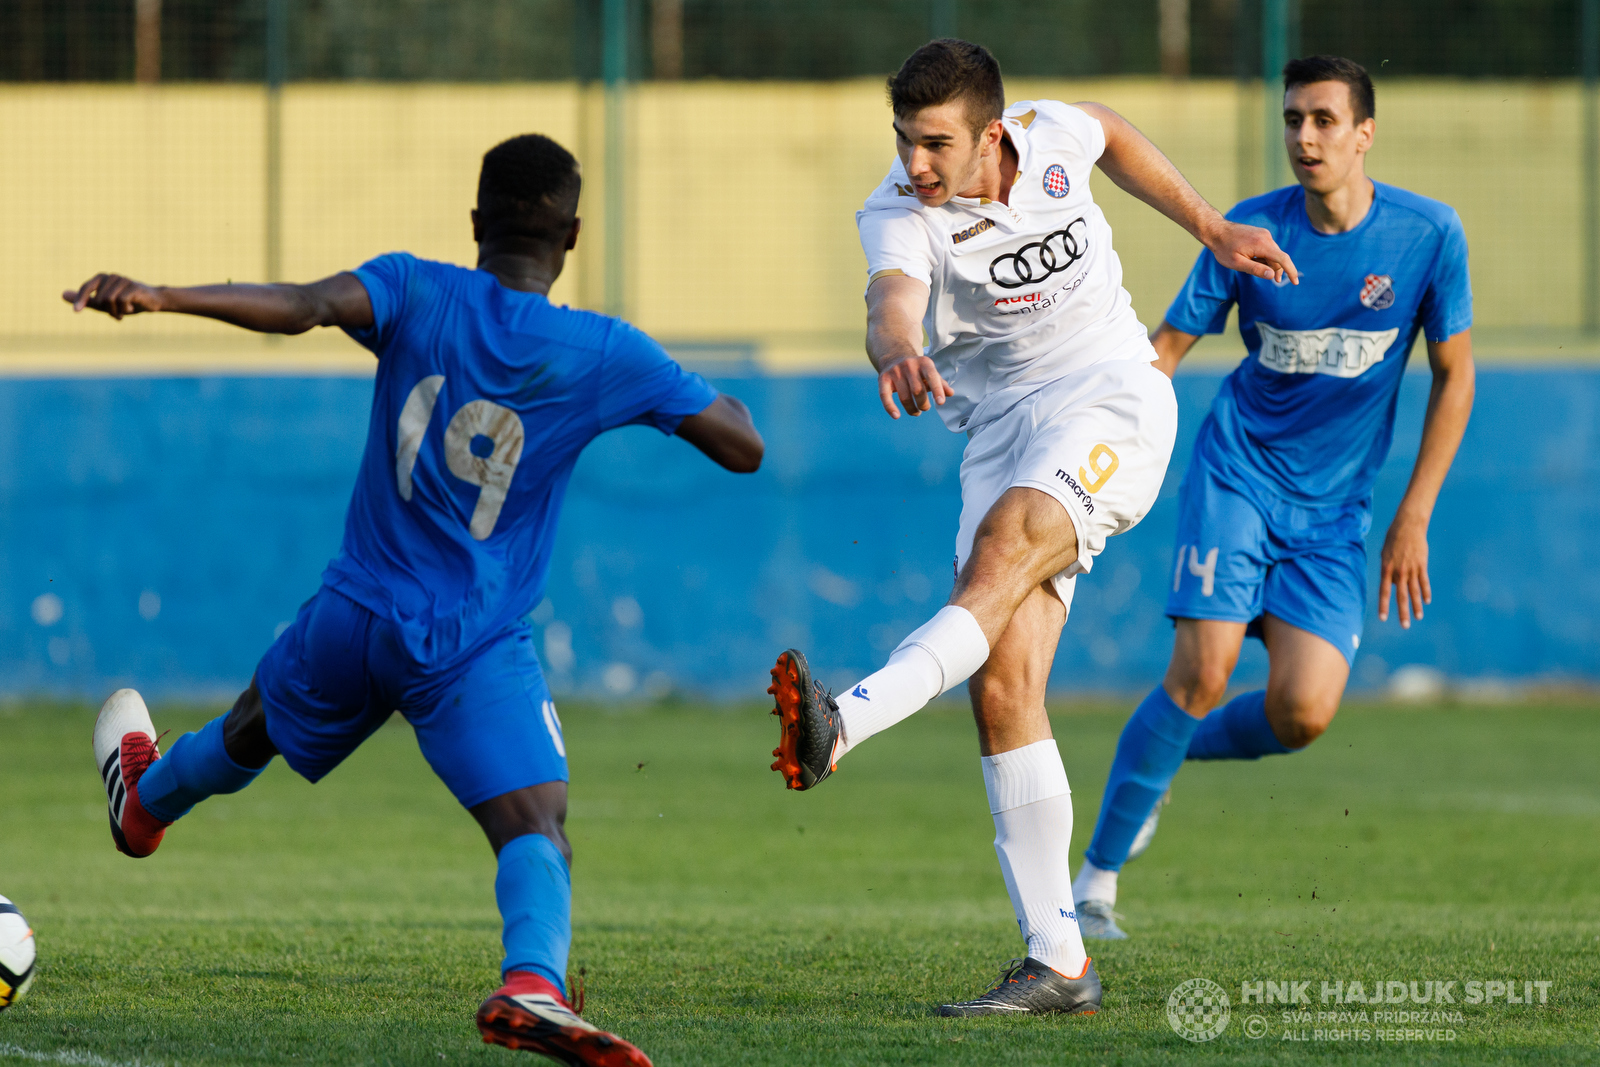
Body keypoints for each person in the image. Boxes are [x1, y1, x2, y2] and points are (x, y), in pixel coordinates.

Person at [72, 133, 764, 1065]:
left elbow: (304, 306)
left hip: (354, 612)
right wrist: (671, 394)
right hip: (467, 639)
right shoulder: (602, 350)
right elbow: (740, 445)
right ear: (572, 234)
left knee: (254, 722)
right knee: (534, 826)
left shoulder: (415, 287)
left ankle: (145, 805)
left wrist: (162, 294)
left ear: (476, 223)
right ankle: (532, 985)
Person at [764, 39, 1298, 1015]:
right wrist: (897, 350)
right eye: (903, 140)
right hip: (999, 433)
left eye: (933, 143)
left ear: (992, 134)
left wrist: (1212, 226)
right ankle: (1059, 959)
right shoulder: (898, 212)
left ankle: (844, 722)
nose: (914, 163)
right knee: (1004, 684)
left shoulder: (1052, 133)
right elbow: (890, 302)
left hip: (1112, 398)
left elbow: (1114, 137)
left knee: (1005, 551)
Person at [1071, 56, 1475, 940]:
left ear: (1365, 133)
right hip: (1238, 475)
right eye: (1293, 119)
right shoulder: (1248, 229)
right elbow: (1165, 351)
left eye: (1325, 120)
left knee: (1303, 714)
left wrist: (1414, 513)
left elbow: (1455, 375)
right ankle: (1094, 883)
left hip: (1336, 515)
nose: (1305, 137)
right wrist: (1094, 453)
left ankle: (1165, 754)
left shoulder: (1428, 235)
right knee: (1204, 669)